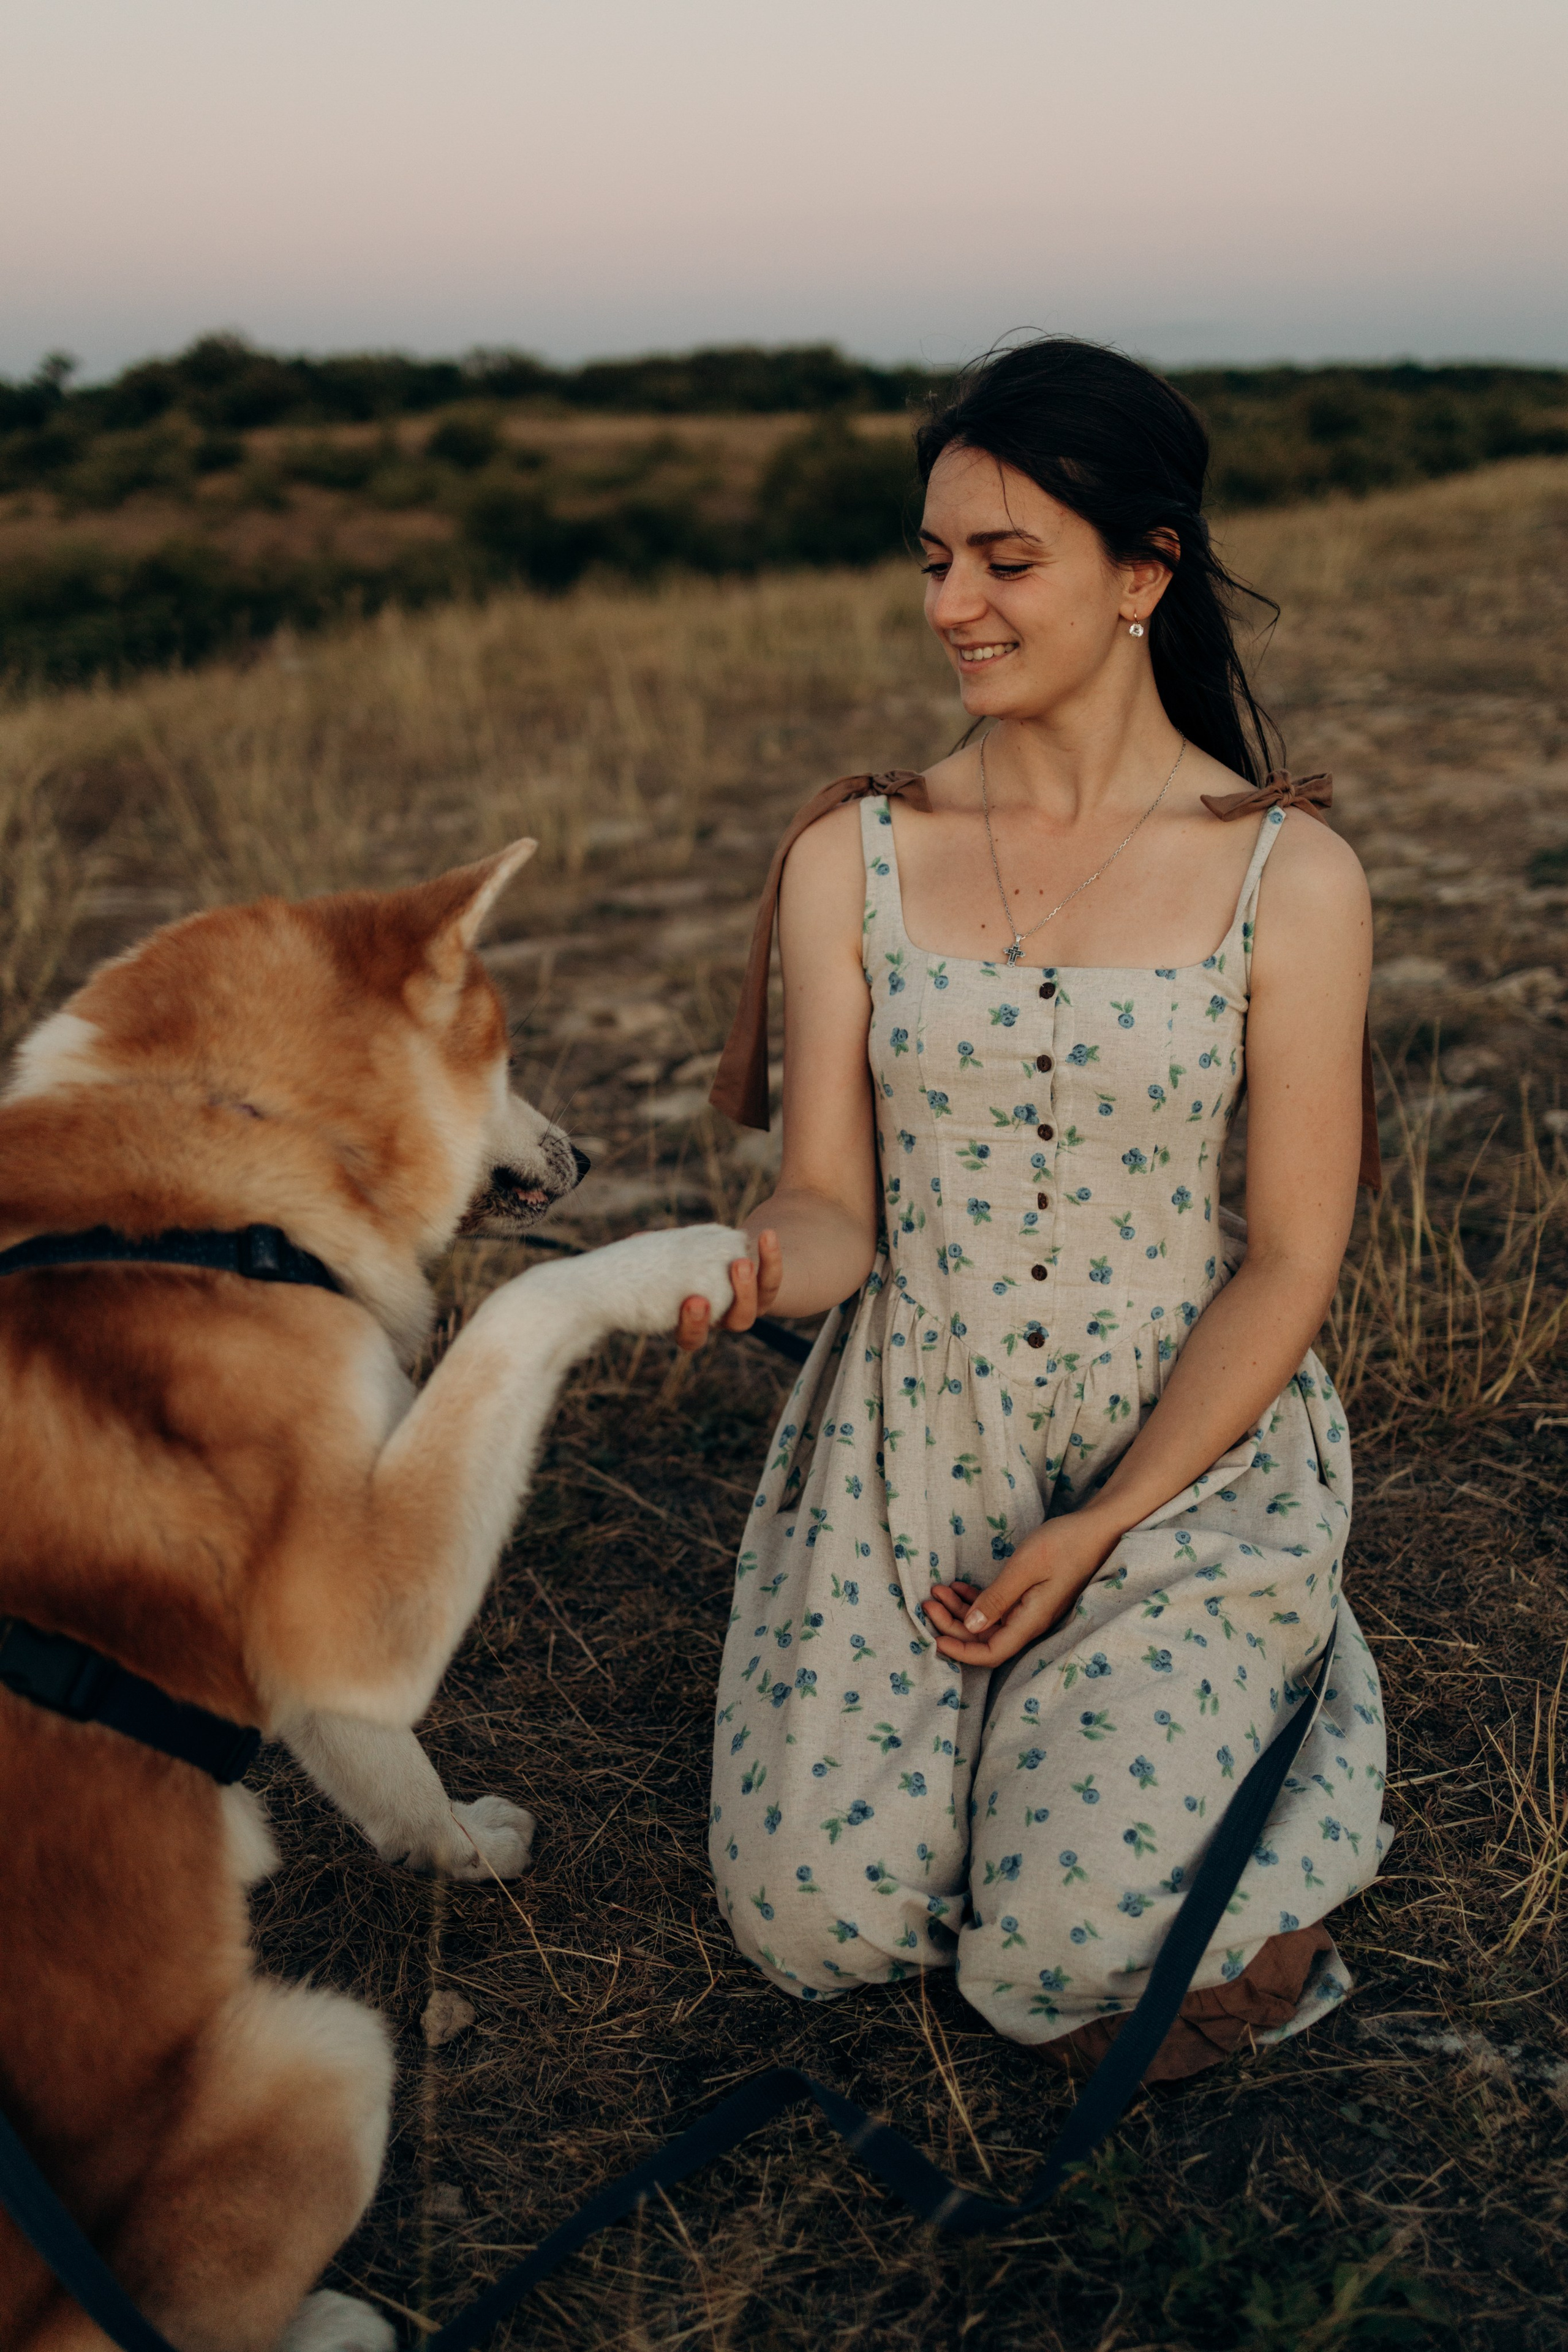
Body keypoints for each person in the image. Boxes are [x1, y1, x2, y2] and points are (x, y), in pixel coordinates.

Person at [677, 337, 1389, 2078]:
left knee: (1058, 1958)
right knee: (815, 1929)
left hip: (1178, 1439)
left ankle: (1250, 1716)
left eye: (1008, 561)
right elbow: (833, 1200)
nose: (955, 607)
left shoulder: (1288, 872)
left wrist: (1107, 1523)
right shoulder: (855, 849)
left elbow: (1292, 1256)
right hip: (916, 1426)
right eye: (935, 561)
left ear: (1145, 570)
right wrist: (766, 1269)